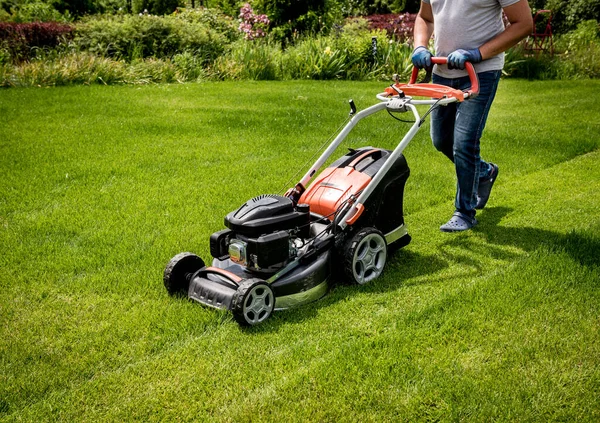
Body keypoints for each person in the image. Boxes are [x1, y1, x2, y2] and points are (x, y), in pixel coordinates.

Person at [411, 0, 533, 232]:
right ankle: (484, 172)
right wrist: (420, 46)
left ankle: (464, 212)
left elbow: (523, 23)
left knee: (464, 142)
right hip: (442, 69)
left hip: (480, 71)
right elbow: (425, 18)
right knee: (441, 140)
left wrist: (478, 53)